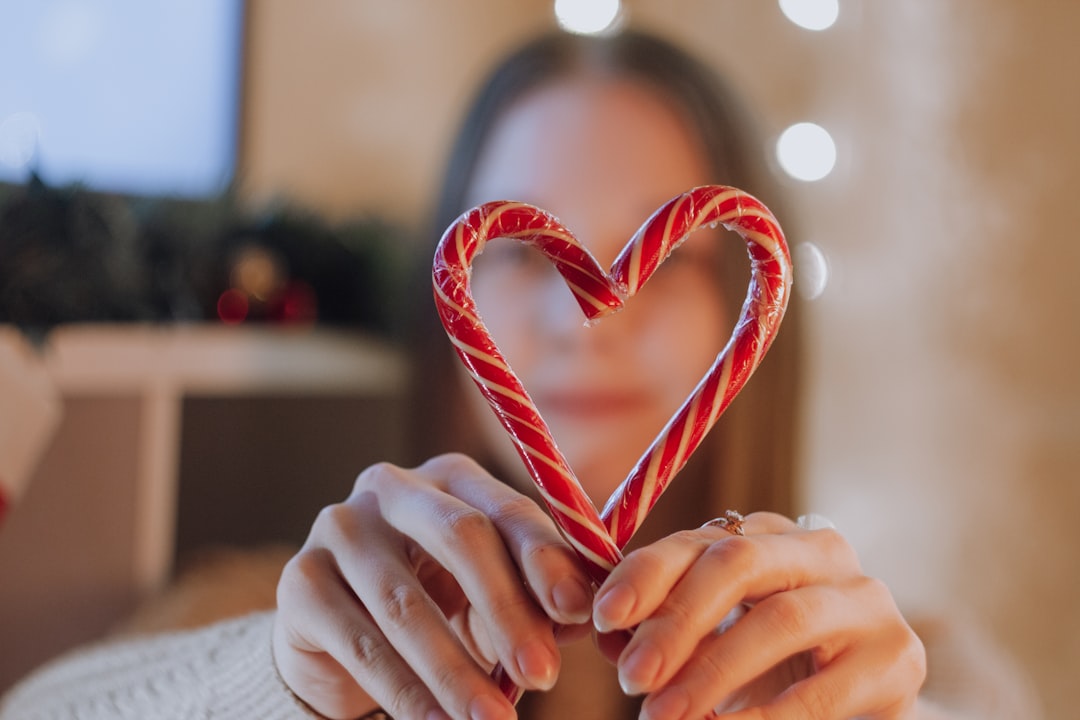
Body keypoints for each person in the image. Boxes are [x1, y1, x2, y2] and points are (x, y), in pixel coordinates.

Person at [0, 28, 1038, 720]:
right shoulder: (280, 610)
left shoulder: (915, 668)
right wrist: (276, 681)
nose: (585, 321)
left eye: (669, 262)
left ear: (750, 315)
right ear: (447, 300)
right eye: (514, 250)